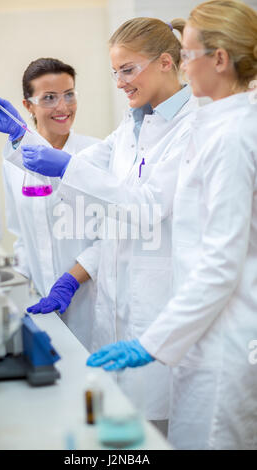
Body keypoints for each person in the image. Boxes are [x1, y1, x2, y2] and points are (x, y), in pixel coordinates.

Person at [11, 17, 199, 430]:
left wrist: (66, 167)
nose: (119, 82)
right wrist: (22, 139)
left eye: (127, 70)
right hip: (114, 304)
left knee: (152, 432)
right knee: (116, 424)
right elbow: (79, 172)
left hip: (155, 305)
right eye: (114, 72)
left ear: (166, 62)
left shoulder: (190, 128)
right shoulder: (131, 125)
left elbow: (147, 206)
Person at [86, 0, 257, 450]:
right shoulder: (215, 123)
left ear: (218, 59)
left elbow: (220, 264)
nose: (180, 64)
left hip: (224, 340)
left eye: (185, 55)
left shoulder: (234, 133)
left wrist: (154, 341)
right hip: (198, 332)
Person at [0, 58, 100, 351]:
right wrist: (17, 288)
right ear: (28, 106)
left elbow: (110, 237)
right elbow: (22, 235)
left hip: (91, 301)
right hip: (41, 307)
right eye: (49, 98)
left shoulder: (95, 153)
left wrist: (69, 281)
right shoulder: (13, 162)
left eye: (69, 94)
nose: (63, 107)